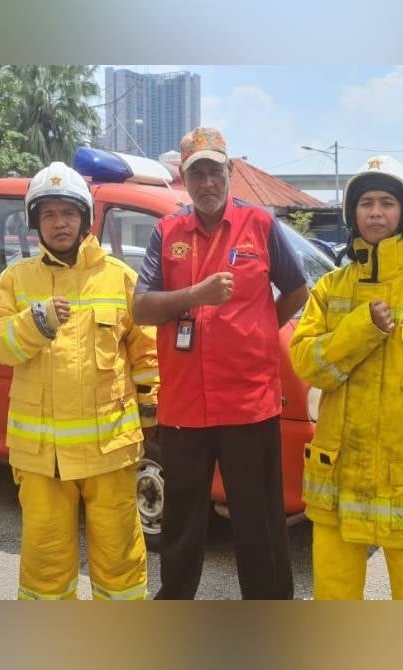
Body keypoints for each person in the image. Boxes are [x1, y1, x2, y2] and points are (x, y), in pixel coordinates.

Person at [132, 127, 308, 599]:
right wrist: (196, 295)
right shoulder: (166, 232)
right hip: (185, 407)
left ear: (229, 172)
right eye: (197, 174)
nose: (207, 182)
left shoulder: (261, 226)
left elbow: (296, 290)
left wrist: (258, 331)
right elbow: (142, 308)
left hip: (249, 403)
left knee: (260, 520)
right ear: (185, 181)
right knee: (183, 519)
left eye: (214, 171)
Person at [0, 162, 158, 600]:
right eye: (49, 215)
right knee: (45, 568)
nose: (60, 223)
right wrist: (35, 322)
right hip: (43, 460)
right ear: (36, 222)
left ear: (85, 219)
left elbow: (147, 353)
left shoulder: (119, 278)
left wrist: (152, 413)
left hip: (110, 454)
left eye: (69, 214)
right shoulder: (16, 280)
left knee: (121, 565)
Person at [289, 155, 403, 600]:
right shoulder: (329, 290)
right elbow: (307, 365)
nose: (375, 212)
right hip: (338, 478)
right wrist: (360, 330)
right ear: (352, 213)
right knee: (335, 597)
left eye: (387, 202)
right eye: (365, 202)